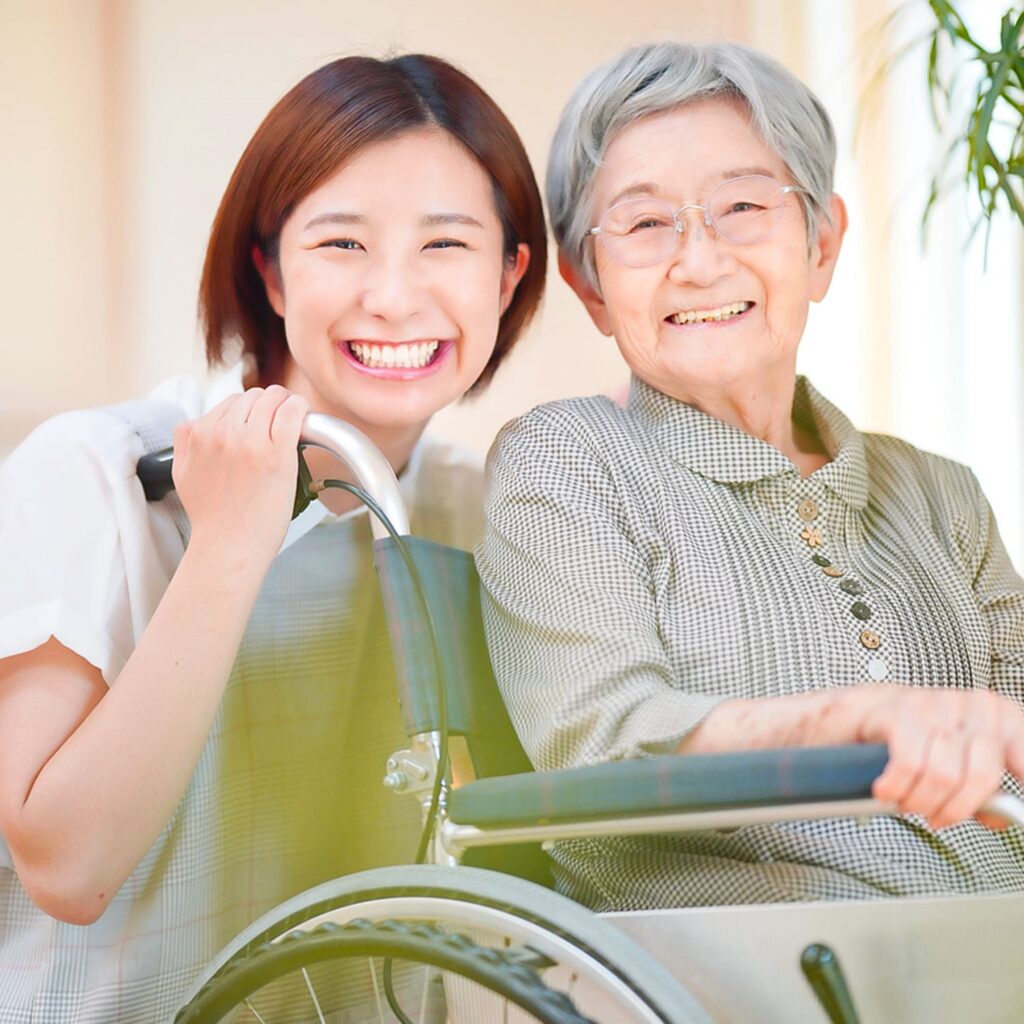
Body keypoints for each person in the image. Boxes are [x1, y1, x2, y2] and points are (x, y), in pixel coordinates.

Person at [0, 53, 545, 1021]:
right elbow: (67, 866)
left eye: (445, 246)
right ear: (271, 270)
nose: (392, 296)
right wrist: (227, 548)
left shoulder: (486, 511)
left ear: (509, 275)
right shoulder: (93, 471)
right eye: (341, 244)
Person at [476, 40, 1024, 912]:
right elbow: (606, 742)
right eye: (646, 223)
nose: (699, 260)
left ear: (822, 244)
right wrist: (863, 717)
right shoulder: (568, 460)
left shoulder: (939, 493)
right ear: (589, 283)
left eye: (742, 206)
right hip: (760, 972)